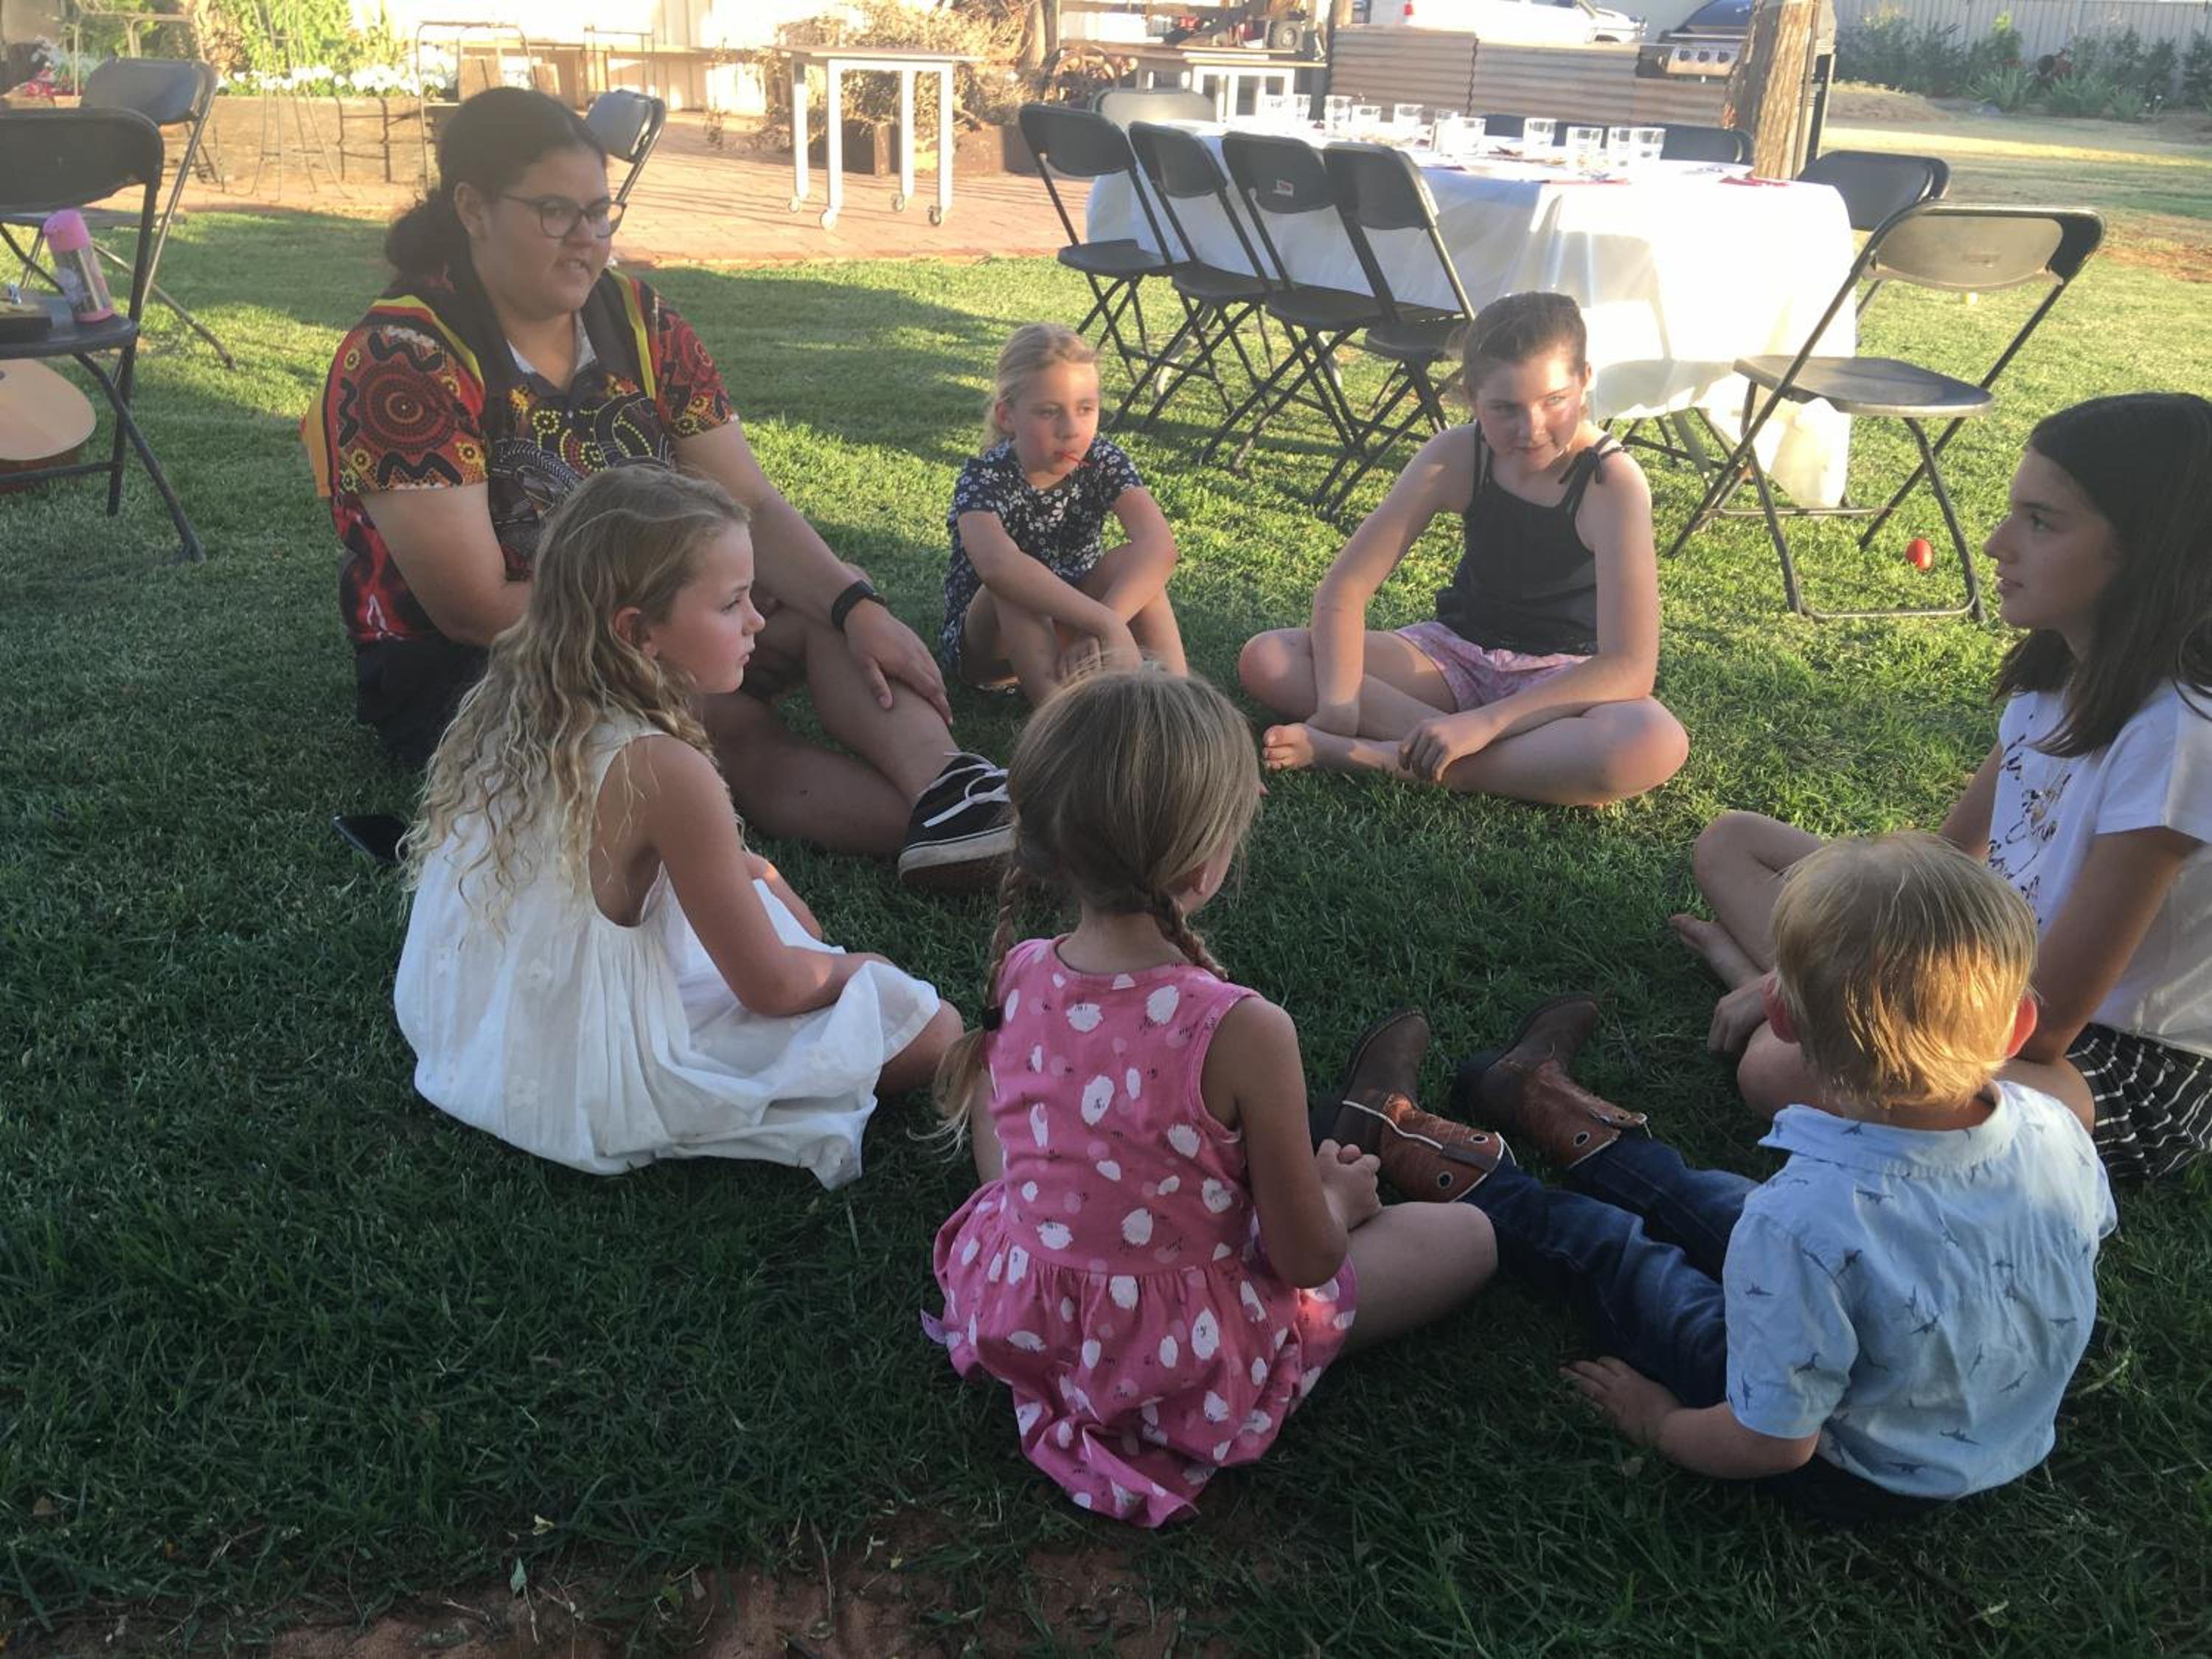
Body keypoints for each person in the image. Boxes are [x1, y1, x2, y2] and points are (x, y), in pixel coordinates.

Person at [315, 86, 1011, 885]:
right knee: (713, 729)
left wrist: (857, 608)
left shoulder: (636, 318)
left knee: (826, 603)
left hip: (664, 611)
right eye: (555, 214)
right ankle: (1006, 842)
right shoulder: (403, 356)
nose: (587, 240)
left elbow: (747, 500)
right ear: (473, 208)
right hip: (479, 670)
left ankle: (955, 795)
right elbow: (472, 608)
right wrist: (668, 628)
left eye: (599, 213)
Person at [922, 669, 1494, 1525]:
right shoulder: (1243, 1028)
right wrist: (1338, 1198)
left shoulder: (1023, 969)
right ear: (1201, 866)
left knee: (998, 1102)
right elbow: (1304, 1260)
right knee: (1470, 1237)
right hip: (1175, 1355)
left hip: (1024, 1312)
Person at [1447, 835, 2115, 1522]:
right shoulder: (2055, 1125)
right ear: (2016, 1028)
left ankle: (1473, 1179)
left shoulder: (1803, 1219)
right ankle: (1565, 1122)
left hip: (1858, 1468)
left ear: (1780, 1014)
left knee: (1631, 1260)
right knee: (1715, 1202)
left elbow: (1775, 1442)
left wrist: (1661, 1423)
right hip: (1989, 1420)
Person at [1676, 392, 2212, 1182]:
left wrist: (1831, 990)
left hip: (2110, 1060)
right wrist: (1851, 977)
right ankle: (1796, 1003)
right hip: (1980, 969)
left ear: (2147, 552)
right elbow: (1950, 858)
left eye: (2040, 522)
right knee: (1735, 844)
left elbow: (2047, 1024)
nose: (1996, 544)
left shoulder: (2177, 735)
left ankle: (1780, 1003)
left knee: (1779, 1070)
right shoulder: (2057, 675)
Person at [396, 466, 961, 1186]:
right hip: (589, 1072)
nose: (757, 620)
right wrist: (866, 968)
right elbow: (774, 988)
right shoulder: (664, 767)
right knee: (931, 1027)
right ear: (639, 632)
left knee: (759, 893)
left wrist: (760, 877)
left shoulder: (521, 708)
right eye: (731, 603)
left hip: (476, 1026)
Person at [1237, 291, 1688, 806]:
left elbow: (1630, 665)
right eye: (1505, 408)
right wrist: (1339, 707)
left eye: (1554, 400)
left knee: (1653, 741)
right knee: (1271, 657)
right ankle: (1487, 757)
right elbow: (1345, 588)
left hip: (1560, 678)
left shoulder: (1611, 482)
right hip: (1454, 654)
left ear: (1585, 380)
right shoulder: (1457, 454)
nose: (1531, 429)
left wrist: (1485, 724)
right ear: (1472, 397)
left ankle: (1381, 757)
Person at [941, 324, 1186, 705]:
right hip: (992, 647)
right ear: (1007, 416)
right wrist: (1105, 624)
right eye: (1049, 412)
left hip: (1077, 623)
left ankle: (1178, 701)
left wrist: (1101, 626)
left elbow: (1160, 547)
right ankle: (1063, 714)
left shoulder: (1102, 459)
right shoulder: (984, 477)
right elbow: (997, 567)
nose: (1071, 429)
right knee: (1014, 584)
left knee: (1136, 563)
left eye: (1086, 409)